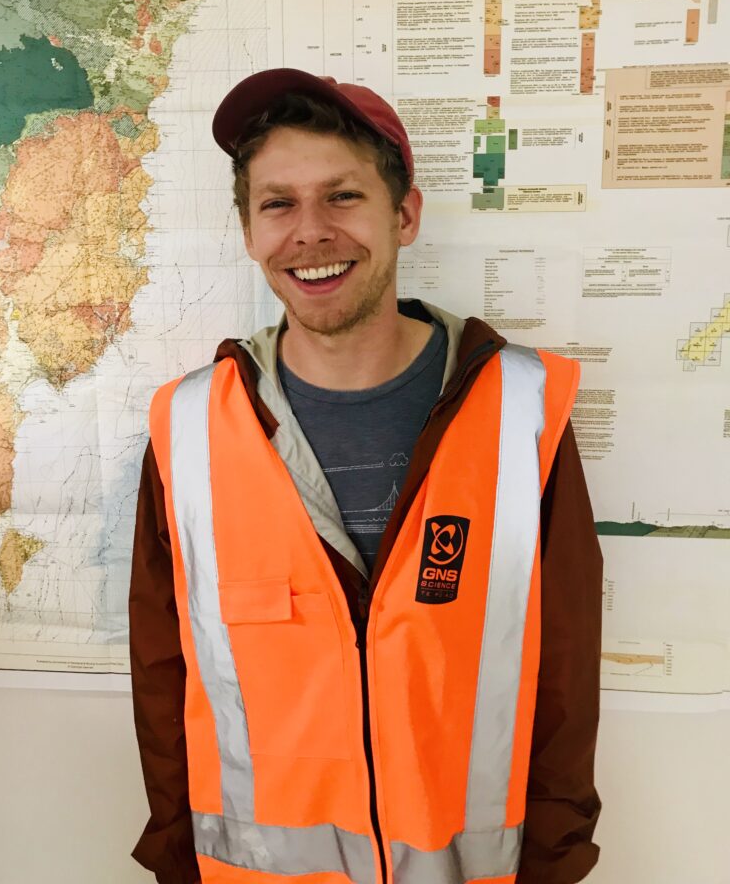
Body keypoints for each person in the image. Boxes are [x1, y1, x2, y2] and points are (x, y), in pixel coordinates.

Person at [128, 68, 603, 884]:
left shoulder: (520, 411)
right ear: (247, 230)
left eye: (342, 197)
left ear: (405, 215)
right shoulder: (188, 429)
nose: (310, 232)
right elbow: (164, 678)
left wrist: (556, 866)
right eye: (278, 203)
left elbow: (564, 675)